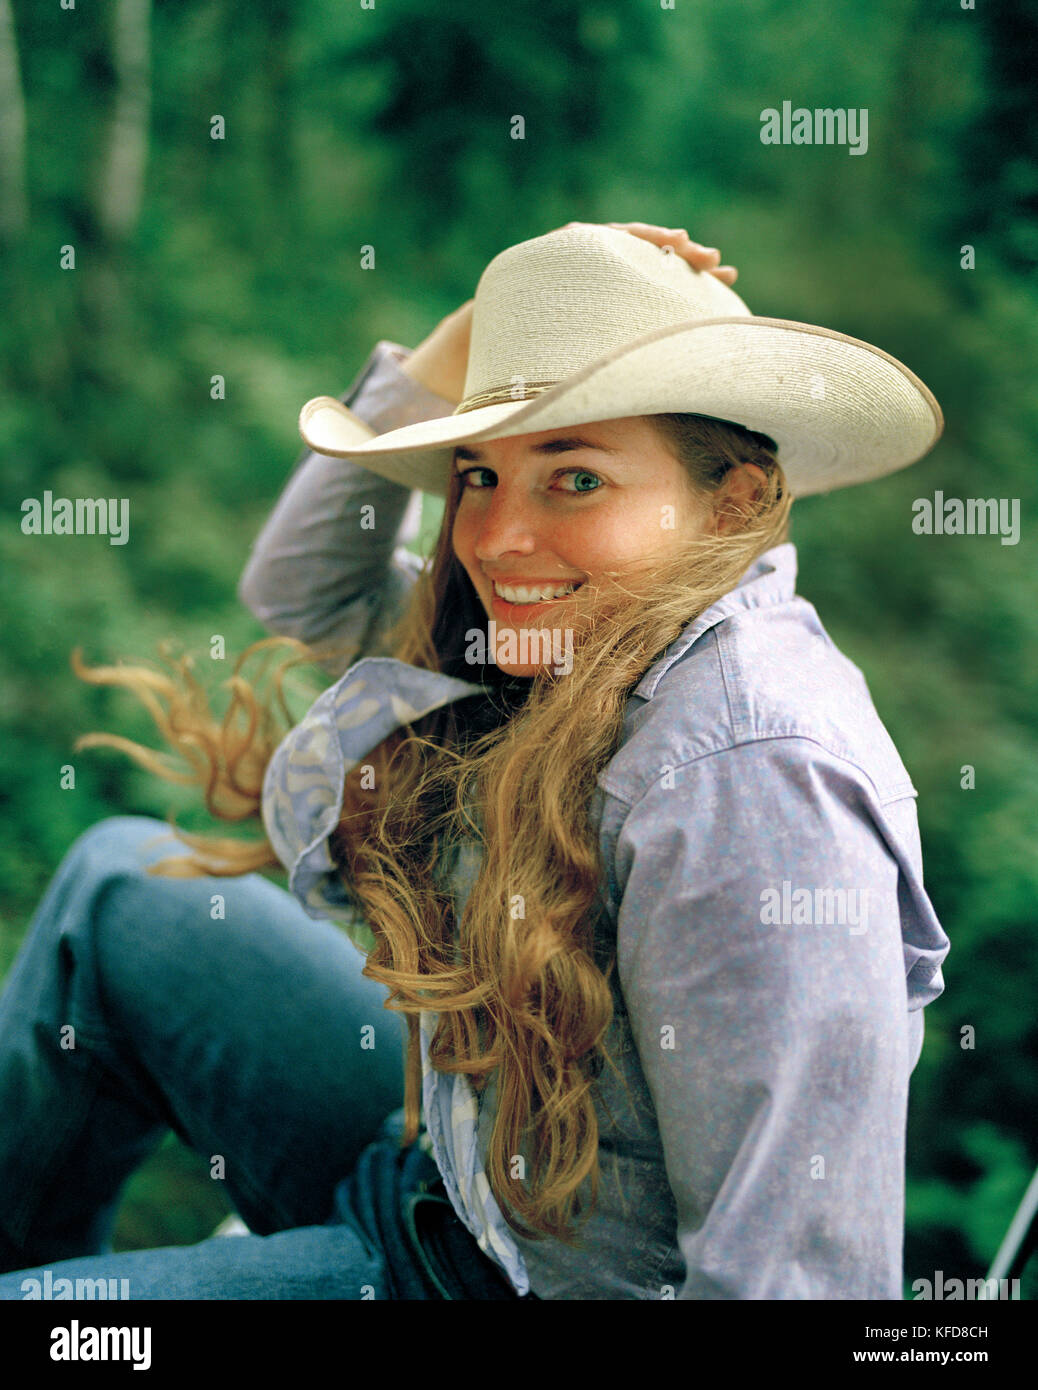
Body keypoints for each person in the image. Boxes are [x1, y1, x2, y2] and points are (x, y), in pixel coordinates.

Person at [0, 221, 950, 1301]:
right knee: (116, 888)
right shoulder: (559, 640)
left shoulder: (754, 778)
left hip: (503, 1285)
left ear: (729, 501)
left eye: (575, 478)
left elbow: (800, 1281)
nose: (496, 538)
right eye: (478, 475)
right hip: (451, 1177)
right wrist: (462, 345)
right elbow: (304, 591)